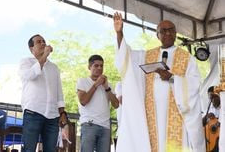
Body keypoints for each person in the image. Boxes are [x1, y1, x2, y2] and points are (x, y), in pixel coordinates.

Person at [113, 12, 206, 152]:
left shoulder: (187, 58)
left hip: (176, 115)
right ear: (158, 35)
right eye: (163, 31)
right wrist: (120, 33)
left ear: (175, 34)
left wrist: (172, 78)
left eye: (170, 30)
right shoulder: (146, 56)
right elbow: (126, 57)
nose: (167, 33)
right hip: (152, 116)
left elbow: (194, 85)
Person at [19, 34, 67, 152]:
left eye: (44, 41)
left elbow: (58, 91)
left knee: (51, 150)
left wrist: (62, 112)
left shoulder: (54, 67)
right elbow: (30, 75)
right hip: (33, 112)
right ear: (31, 48)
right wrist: (44, 56)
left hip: (52, 115)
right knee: (29, 149)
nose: (43, 43)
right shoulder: (26, 62)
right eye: (39, 42)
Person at [76, 54, 119, 152]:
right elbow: (83, 101)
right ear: (89, 67)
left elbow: (116, 105)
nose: (99, 68)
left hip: (105, 126)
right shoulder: (82, 81)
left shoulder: (109, 85)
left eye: (101, 66)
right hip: (89, 125)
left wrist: (107, 88)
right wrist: (96, 85)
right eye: (96, 65)